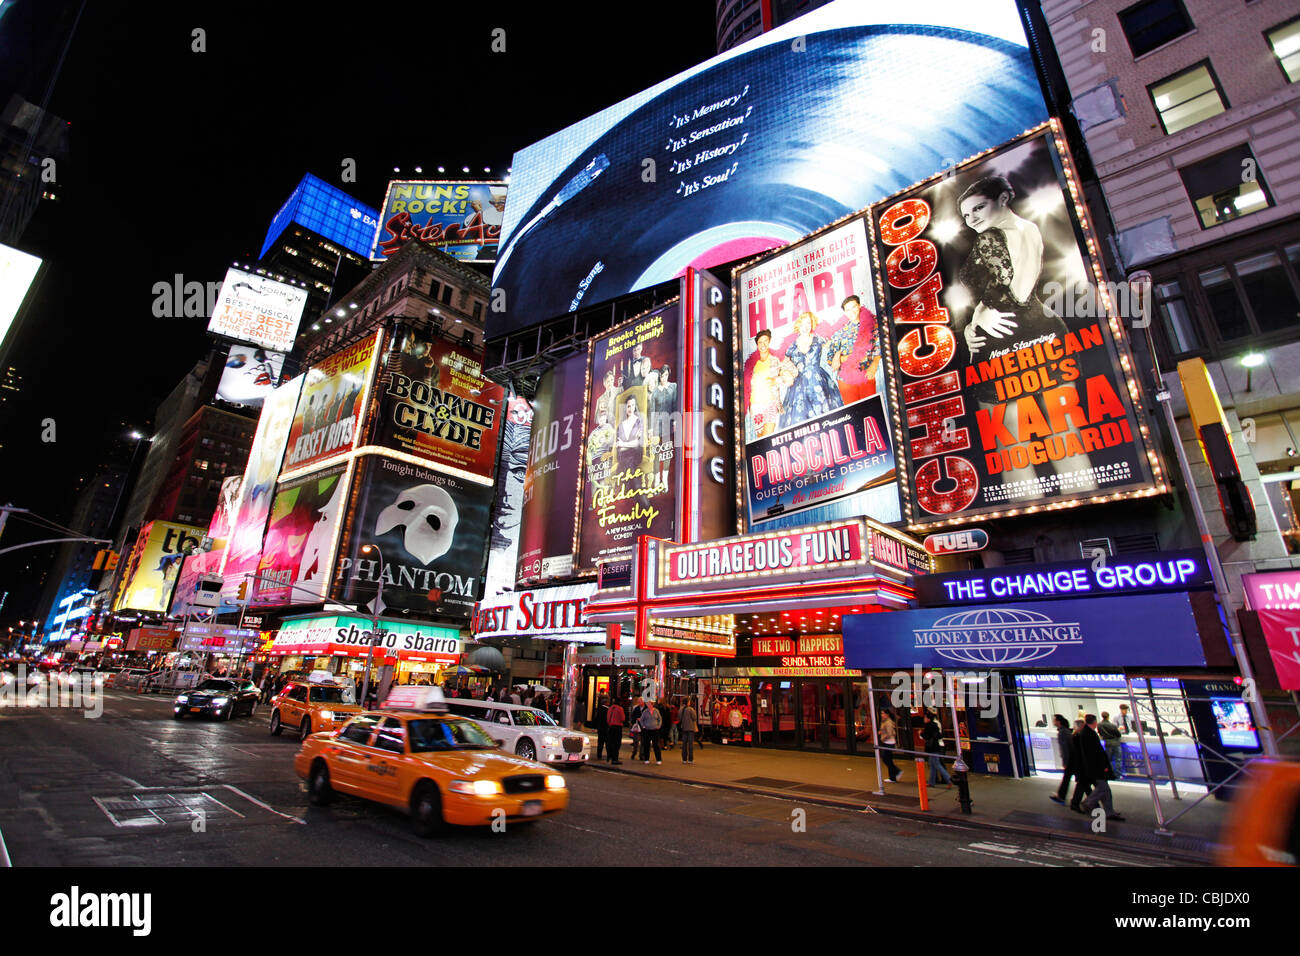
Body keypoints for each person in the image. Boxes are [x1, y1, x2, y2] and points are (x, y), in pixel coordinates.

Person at [956, 174, 1068, 369]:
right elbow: (1023, 292)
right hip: (1045, 324)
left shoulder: (989, 237)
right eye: (965, 215)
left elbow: (1010, 290)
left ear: (1003, 199)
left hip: (1002, 333)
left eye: (978, 208)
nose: (971, 220)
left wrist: (979, 315)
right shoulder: (1030, 228)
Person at [779, 311, 844, 429]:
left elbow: (837, 343)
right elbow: (782, 366)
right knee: (801, 423)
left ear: (812, 323)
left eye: (808, 323)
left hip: (819, 383)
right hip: (798, 388)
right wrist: (786, 373)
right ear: (798, 325)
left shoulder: (819, 339)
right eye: (802, 324)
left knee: (826, 421)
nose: (805, 327)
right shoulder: (791, 346)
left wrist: (837, 355)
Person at [827, 294, 881, 405]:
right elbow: (830, 358)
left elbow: (878, 346)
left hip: (866, 373)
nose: (852, 311)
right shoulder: (841, 332)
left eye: (854, 307)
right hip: (846, 380)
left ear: (859, 306)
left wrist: (874, 365)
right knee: (854, 412)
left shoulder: (872, 324)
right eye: (848, 309)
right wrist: (841, 357)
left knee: (871, 409)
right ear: (845, 312)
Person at [744, 329, 796, 439]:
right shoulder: (751, 363)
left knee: (768, 435)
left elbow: (794, 372)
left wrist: (776, 380)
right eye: (760, 342)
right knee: (761, 438)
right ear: (757, 344)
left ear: (769, 341)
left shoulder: (777, 358)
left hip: (770, 402)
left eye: (765, 341)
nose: (763, 345)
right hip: (755, 405)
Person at [1080, 714, 1125, 821]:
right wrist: (1104, 766)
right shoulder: (1089, 734)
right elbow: (1096, 753)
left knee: (1106, 790)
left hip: (1094, 766)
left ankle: (1109, 812)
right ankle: (1088, 802)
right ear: (1094, 722)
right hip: (1097, 767)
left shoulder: (1086, 733)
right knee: (1103, 788)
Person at [922, 710, 952, 787]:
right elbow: (940, 735)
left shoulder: (928, 726)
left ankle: (949, 780)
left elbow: (926, 736)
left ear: (928, 719)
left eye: (925, 717)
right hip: (936, 747)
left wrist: (921, 733)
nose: (924, 719)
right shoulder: (935, 725)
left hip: (932, 748)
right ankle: (932, 782)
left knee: (937, 764)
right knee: (932, 765)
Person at [615, 397, 644, 474]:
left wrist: (623, 444)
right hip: (623, 459)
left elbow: (638, 444)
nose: (630, 408)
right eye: (628, 406)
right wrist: (631, 444)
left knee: (630, 469)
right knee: (622, 471)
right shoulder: (620, 426)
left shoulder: (639, 422)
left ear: (635, 406)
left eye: (633, 405)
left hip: (635, 458)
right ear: (625, 407)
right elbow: (619, 447)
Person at [878, 708, 902, 783]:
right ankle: (894, 775)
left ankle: (895, 774)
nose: (882, 715)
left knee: (886, 758)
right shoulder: (885, 721)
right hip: (887, 742)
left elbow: (890, 733)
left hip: (888, 742)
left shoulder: (888, 722)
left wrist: (883, 738)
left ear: (887, 714)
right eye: (881, 713)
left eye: (883, 713)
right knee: (887, 759)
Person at [1098, 711, 1125, 780]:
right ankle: (1118, 774)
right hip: (1116, 743)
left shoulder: (1099, 725)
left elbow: (1100, 734)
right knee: (1118, 759)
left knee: (1109, 760)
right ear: (1108, 717)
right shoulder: (1112, 725)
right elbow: (1118, 735)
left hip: (1107, 743)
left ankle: (1111, 774)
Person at [639, 697, 663, 764]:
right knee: (647, 745)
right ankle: (646, 759)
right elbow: (641, 719)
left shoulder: (656, 711)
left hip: (655, 730)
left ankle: (658, 759)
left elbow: (660, 719)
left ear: (652, 704)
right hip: (647, 730)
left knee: (656, 745)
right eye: (647, 704)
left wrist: (659, 726)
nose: (648, 705)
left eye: (649, 703)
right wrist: (643, 726)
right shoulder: (645, 712)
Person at [606, 698, 625, 764]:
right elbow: (623, 718)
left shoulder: (610, 708)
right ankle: (615, 759)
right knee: (617, 743)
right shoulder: (620, 709)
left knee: (610, 742)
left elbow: (608, 719)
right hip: (618, 727)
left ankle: (609, 756)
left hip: (611, 727)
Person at [679, 696, 698, 763]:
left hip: (684, 728)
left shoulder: (681, 709)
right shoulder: (690, 709)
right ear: (687, 702)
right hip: (690, 728)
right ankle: (690, 759)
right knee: (690, 744)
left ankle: (684, 759)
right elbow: (694, 718)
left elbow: (679, 718)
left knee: (684, 744)